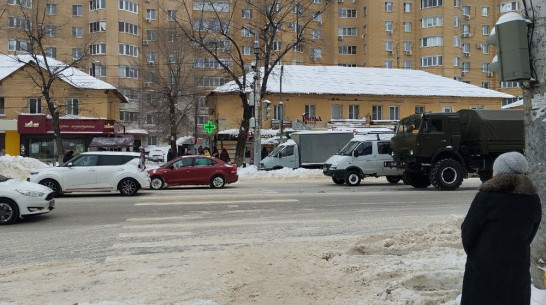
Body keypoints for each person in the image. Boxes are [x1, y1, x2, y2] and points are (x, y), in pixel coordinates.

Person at [461, 151, 542, 305]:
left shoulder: (487, 196)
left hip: (484, 268)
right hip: (517, 269)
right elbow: (531, 231)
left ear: (500, 172)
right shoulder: (532, 199)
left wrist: (477, 253)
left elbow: (468, 230)